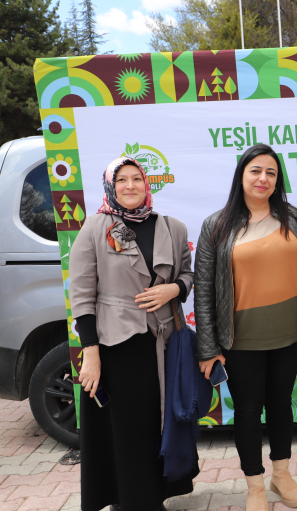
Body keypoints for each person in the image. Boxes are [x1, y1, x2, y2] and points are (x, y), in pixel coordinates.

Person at [194, 144, 297, 511]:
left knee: (281, 405)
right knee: (249, 412)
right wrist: (208, 347)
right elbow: (203, 290)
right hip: (240, 339)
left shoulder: (293, 218)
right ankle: (254, 486)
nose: (263, 178)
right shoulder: (216, 225)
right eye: (255, 171)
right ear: (241, 176)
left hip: (289, 333)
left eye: (271, 172)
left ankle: (281, 474)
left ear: (277, 179)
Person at [71, 157, 196, 511]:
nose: (130, 186)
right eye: (121, 180)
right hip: (117, 348)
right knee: (127, 428)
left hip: (164, 342)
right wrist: (90, 353)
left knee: (162, 422)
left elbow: (188, 275)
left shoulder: (172, 227)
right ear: (110, 186)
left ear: (147, 184)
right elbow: (81, 295)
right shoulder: (95, 227)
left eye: (137, 179)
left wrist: (174, 289)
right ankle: (131, 501)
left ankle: (156, 494)